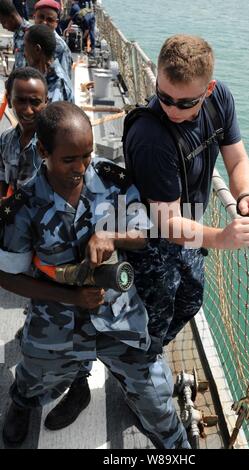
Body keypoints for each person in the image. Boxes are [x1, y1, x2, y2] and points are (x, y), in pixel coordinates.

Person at [0, 102, 190, 450]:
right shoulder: (24, 205)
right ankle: (22, 404)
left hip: (118, 318)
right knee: (34, 377)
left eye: (86, 155)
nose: (81, 167)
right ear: (43, 151)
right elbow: (8, 277)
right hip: (56, 320)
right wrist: (71, 297)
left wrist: (112, 236)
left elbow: (144, 232)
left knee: (154, 395)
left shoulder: (110, 179)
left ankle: (176, 445)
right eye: (69, 159)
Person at [125, 34, 249, 349]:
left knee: (190, 302)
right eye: (164, 97)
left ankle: (147, 356)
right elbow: (167, 223)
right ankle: (139, 370)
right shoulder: (152, 137)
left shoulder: (220, 100)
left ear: (208, 90)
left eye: (186, 102)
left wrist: (247, 195)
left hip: (189, 227)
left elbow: (237, 160)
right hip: (151, 238)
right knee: (150, 321)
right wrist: (221, 238)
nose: (172, 110)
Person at [0, 66, 48, 199]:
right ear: (9, 100)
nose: (28, 110)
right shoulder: (5, 139)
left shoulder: (53, 143)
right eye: (20, 100)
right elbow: (2, 176)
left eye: (35, 102)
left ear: (46, 102)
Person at [24, 24, 74, 102]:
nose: (24, 53)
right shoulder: (46, 74)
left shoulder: (56, 84)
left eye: (25, 47)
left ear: (37, 49)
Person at [34, 0, 73, 80]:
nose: (44, 22)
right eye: (41, 17)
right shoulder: (29, 38)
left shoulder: (61, 48)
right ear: (34, 17)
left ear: (56, 23)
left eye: (49, 20)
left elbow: (64, 83)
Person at [0, 0, 30, 68]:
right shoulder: (17, 33)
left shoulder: (30, 34)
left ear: (12, 17)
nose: (3, 27)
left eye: (4, 22)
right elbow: (18, 62)